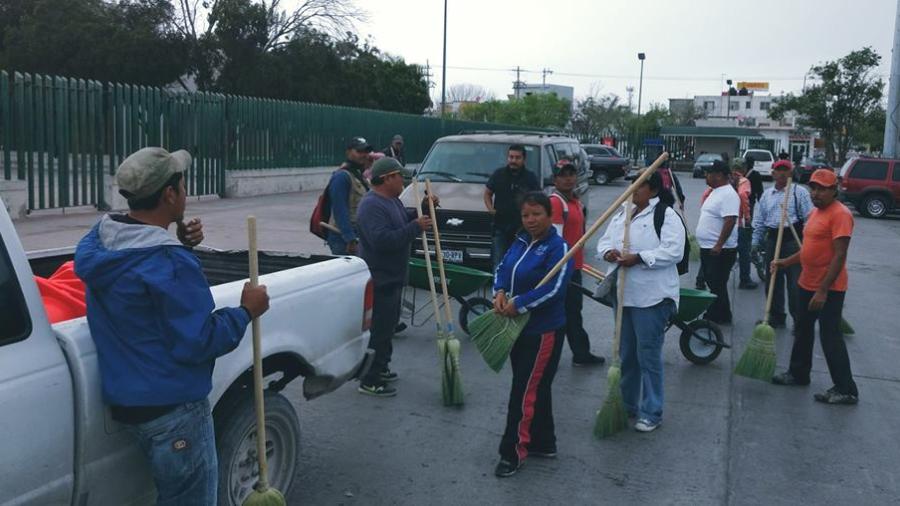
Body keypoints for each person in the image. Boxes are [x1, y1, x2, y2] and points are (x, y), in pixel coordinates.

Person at [74, 147, 270, 504]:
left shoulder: (98, 241)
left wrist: (176, 238)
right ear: (169, 194)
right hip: (174, 411)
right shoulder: (171, 263)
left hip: (129, 403)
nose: (186, 191)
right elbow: (198, 341)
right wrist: (245, 311)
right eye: (183, 184)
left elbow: (140, 282)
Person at [596, 171, 685, 433]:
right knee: (626, 354)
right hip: (623, 295)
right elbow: (603, 242)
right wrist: (609, 253)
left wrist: (639, 257)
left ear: (653, 190)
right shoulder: (623, 212)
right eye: (632, 184)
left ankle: (651, 411)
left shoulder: (666, 215)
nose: (633, 189)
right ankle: (626, 404)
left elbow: (673, 252)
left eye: (639, 185)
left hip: (652, 297)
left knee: (648, 356)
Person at [492, 191, 573, 477]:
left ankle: (512, 452)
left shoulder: (559, 247)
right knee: (534, 386)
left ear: (550, 215)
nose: (531, 220)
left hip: (542, 331)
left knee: (523, 390)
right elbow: (503, 267)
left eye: (537, 214)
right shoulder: (520, 240)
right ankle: (543, 442)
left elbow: (554, 289)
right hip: (517, 327)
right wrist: (499, 291)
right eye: (526, 215)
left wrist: (520, 303)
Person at [771, 169, 858, 405]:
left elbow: (839, 256)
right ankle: (798, 374)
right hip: (806, 282)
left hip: (829, 288)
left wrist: (822, 290)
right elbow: (808, 250)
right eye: (813, 188)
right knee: (803, 329)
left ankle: (846, 388)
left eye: (821, 189)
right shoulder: (814, 212)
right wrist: (785, 262)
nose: (815, 193)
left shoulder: (840, 215)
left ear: (834, 190)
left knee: (830, 336)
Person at [356, 157, 434, 397]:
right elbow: (383, 241)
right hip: (380, 279)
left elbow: (403, 219)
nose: (404, 181)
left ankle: (382, 367)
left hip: (393, 277)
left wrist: (423, 208)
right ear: (388, 178)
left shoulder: (392, 201)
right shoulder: (371, 205)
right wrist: (415, 228)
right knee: (379, 331)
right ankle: (369, 378)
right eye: (400, 176)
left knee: (388, 329)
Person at [549, 159, 605, 366]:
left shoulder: (576, 202)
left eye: (571, 174)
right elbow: (554, 240)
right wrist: (559, 270)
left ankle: (579, 353)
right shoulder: (556, 203)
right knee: (566, 314)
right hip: (563, 269)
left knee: (572, 313)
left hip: (575, 266)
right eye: (563, 174)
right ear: (555, 179)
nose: (568, 178)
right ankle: (573, 353)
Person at [751, 160, 813, 328]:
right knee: (773, 282)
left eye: (786, 170)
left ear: (791, 173)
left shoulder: (799, 193)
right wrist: (755, 242)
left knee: (795, 285)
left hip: (793, 240)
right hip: (772, 240)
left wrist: (807, 243)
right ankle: (776, 317)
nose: (782, 173)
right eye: (779, 170)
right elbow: (760, 221)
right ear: (773, 173)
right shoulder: (767, 195)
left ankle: (799, 320)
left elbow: (810, 219)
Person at [695, 160, 739, 324]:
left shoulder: (728, 194)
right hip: (709, 247)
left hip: (720, 249)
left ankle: (717, 315)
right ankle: (721, 313)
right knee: (713, 282)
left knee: (717, 283)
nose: (706, 175)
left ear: (719, 175)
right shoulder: (716, 191)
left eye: (709, 173)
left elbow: (730, 220)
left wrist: (719, 244)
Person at [484, 144, 540, 267]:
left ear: (523, 159)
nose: (513, 160)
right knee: (499, 263)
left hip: (522, 229)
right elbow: (487, 194)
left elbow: (538, 200)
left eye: (517, 157)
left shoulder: (530, 178)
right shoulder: (499, 174)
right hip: (500, 228)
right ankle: (499, 286)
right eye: (511, 157)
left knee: (520, 264)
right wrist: (491, 210)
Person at [327, 137, 372, 255]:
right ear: (348, 152)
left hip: (358, 236)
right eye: (359, 151)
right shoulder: (342, 176)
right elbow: (339, 209)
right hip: (343, 239)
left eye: (366, 151)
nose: (363, 155)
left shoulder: (358, 174)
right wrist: (350, 238)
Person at [730, 159, 758, 289]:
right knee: (744, 252)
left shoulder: (725, 180)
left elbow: (707, 194)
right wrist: (747, 216)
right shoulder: (744, 181)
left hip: (726, 222)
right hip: (739, 223)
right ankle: (745, 279)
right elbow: (742, 194)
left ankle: (701, 279)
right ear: (744, 169)